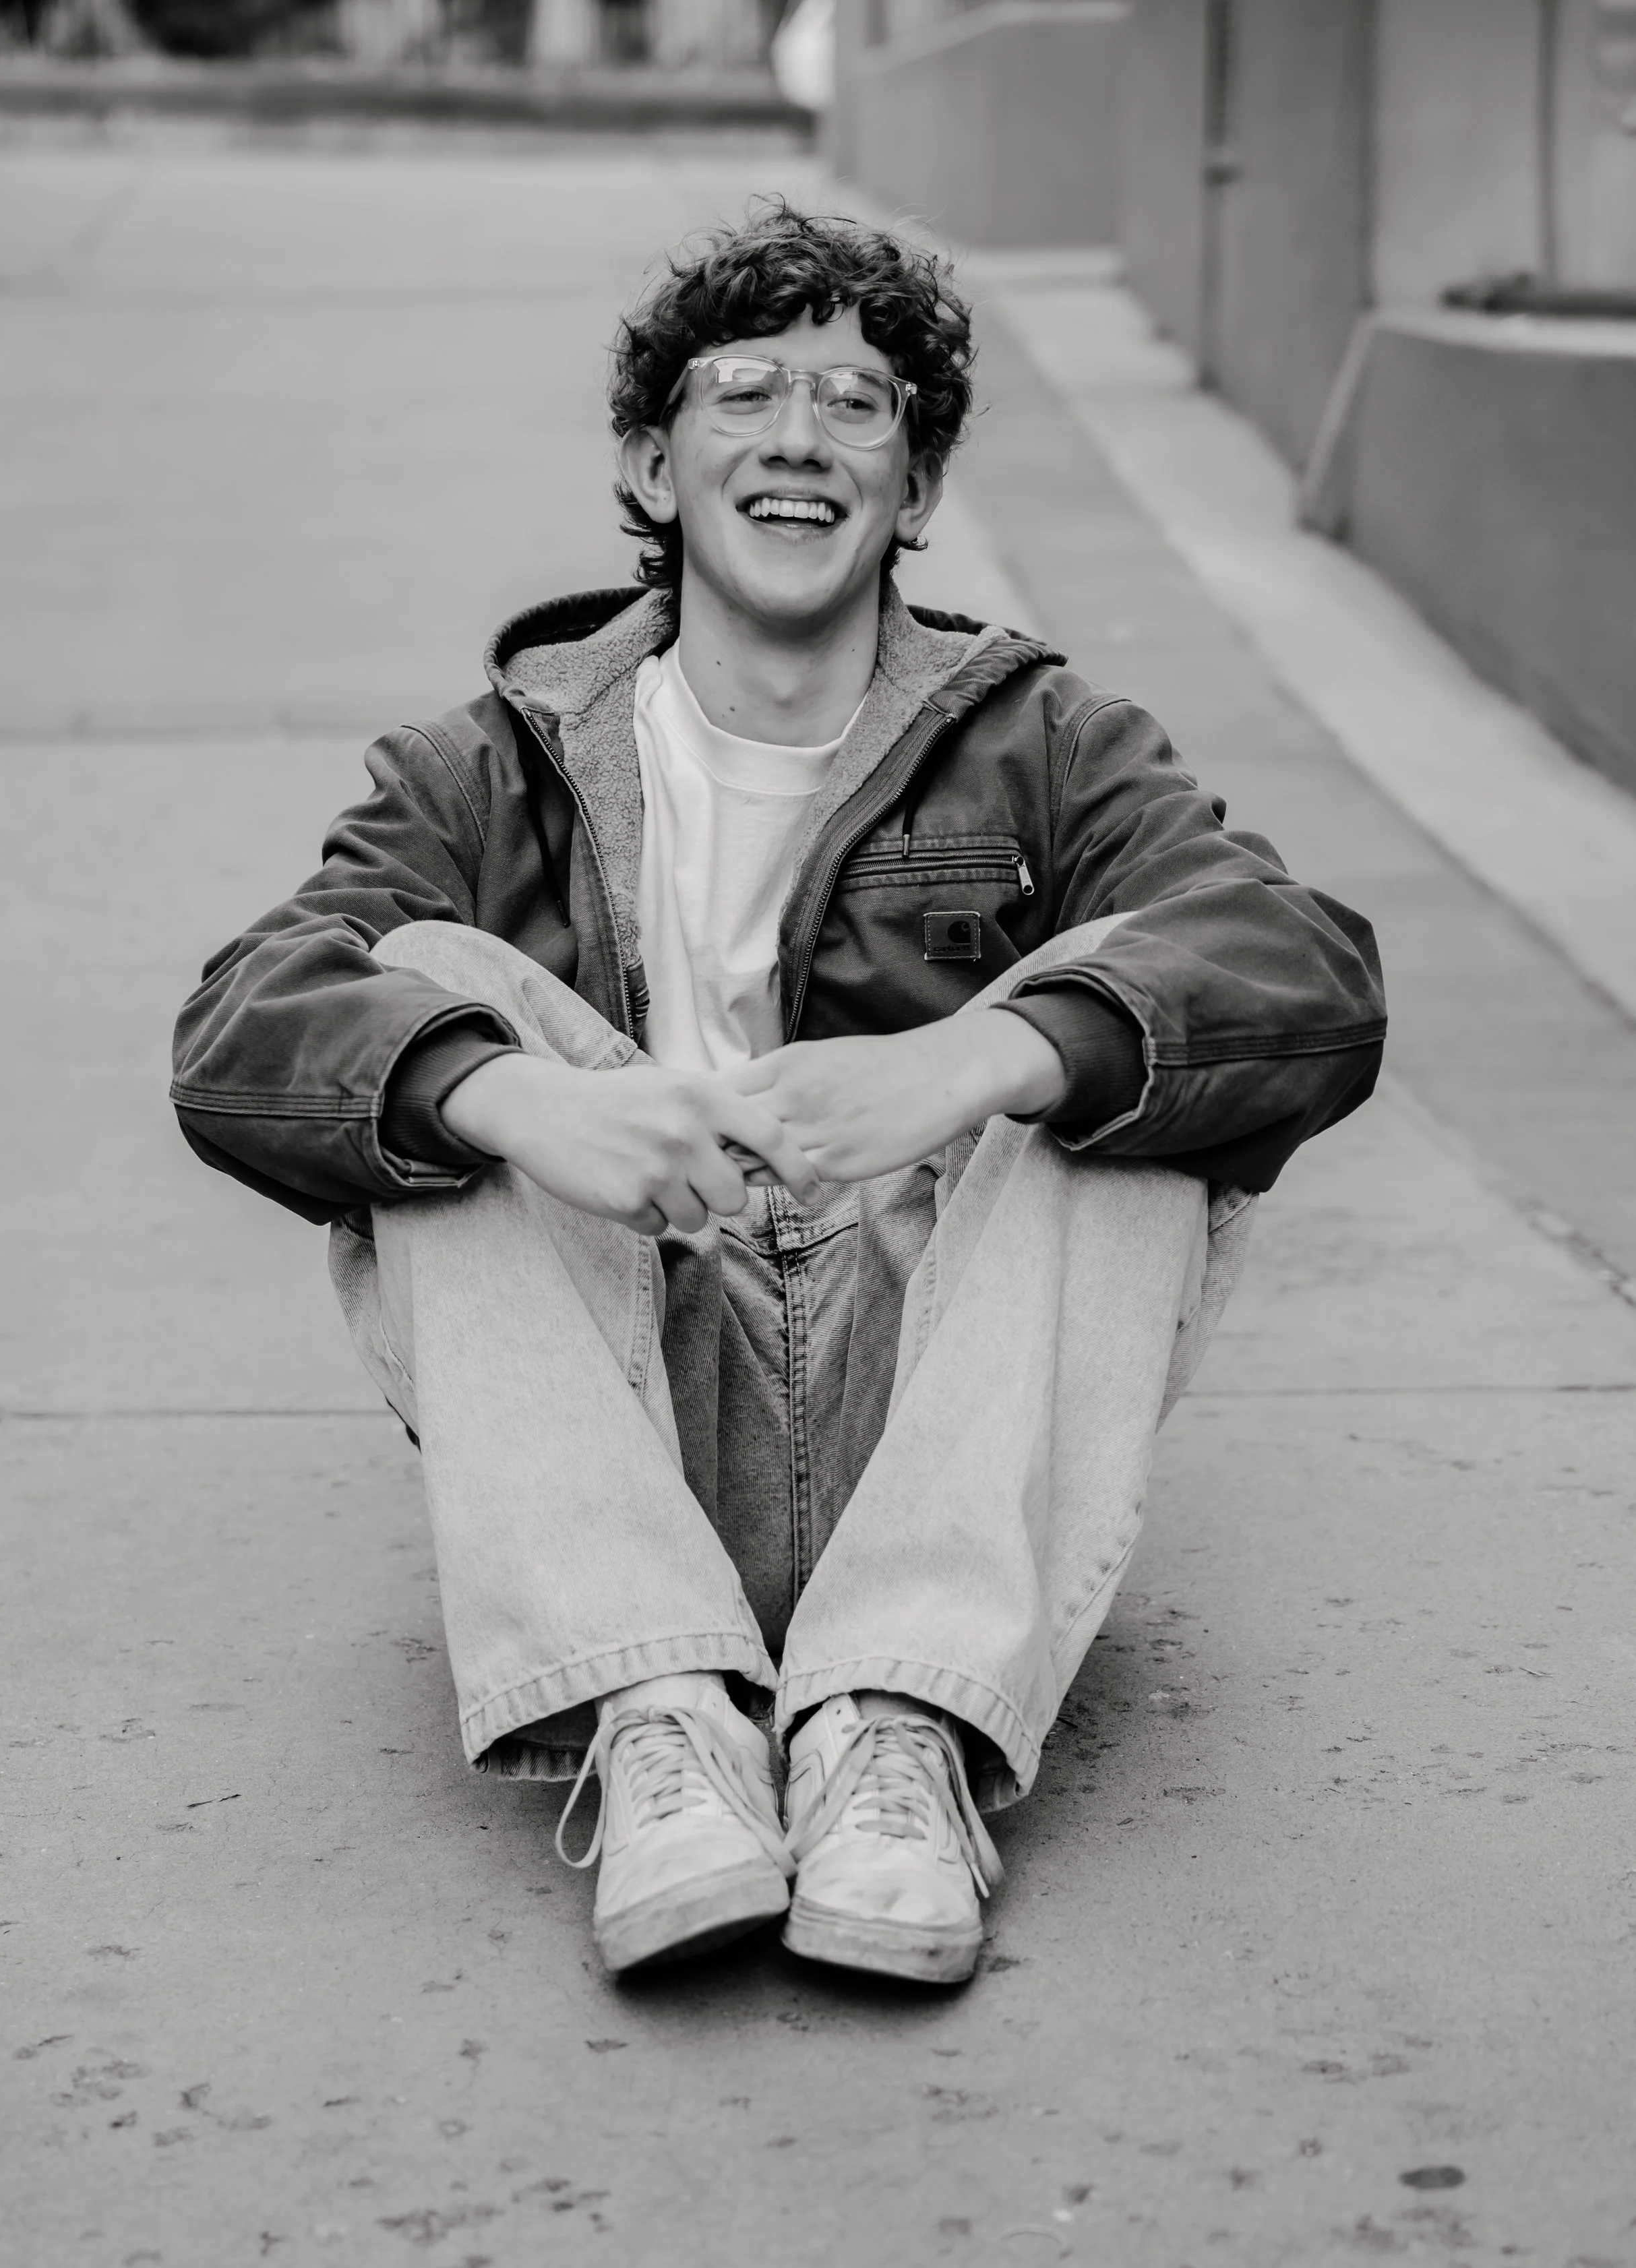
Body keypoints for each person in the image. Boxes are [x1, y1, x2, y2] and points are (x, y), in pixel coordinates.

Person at [171, 204, 1385, 1986]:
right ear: (651, 468)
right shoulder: (488, 765)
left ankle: (898, 1725)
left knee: (1120, 1021)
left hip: (940, 1419)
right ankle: (658, 1708)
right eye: (742, 394)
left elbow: (1307, 973)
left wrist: (973, 1059)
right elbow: (238, 1028)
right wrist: (522, 1102)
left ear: (915, 485)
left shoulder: (1046, 742)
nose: (799, 437)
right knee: (428, 991)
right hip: (637, 1409)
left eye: (856, 404)